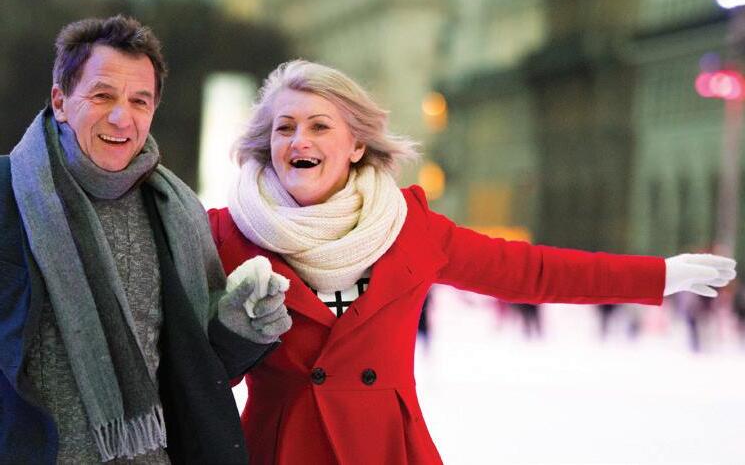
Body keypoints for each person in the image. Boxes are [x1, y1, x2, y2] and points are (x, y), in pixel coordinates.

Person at [208, 59, 737, 465]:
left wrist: (659, 276)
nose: (299, 140)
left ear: (356, 146)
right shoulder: (227, 234)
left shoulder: (408, 227)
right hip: (276, 450)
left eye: (319, 126)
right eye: (284, 128)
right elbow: (190, 360)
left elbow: (532, 272)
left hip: (387, 449)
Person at [0, 15, 291, 464]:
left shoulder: (178, 210)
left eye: (140, 101)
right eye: (102, 96)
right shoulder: (8, 193)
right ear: (60, 101)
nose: (122, 118)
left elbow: (198, 373)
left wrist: (244, 323)